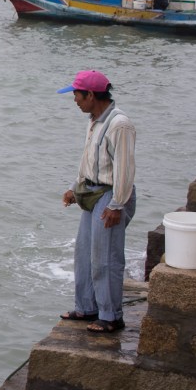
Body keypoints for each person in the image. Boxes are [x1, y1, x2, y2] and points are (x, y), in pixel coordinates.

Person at [58, 70, 136, 334]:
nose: (75, 101)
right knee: (84, 254)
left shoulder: (119, 124)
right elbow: (88, 162)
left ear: (91, 95)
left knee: (106, 259)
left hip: (111, 196)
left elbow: (124, 170)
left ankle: (111, 316)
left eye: (77, 95)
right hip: (92, 193)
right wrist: (73, 188)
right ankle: (87, 307)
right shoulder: (94, 120)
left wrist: (117, 205)